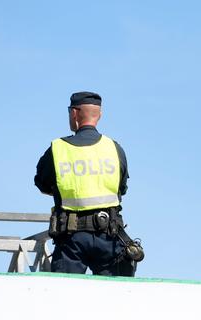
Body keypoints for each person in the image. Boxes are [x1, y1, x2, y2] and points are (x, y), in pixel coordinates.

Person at [34, 91, 140, 276]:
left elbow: (42, 183)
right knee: (116, 297)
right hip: (110, 236)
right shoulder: (114, 148)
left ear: (74, 113)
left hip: (71, 241)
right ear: (99, 115)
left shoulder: (58, 149)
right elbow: (121, 189)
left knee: (66, 297)